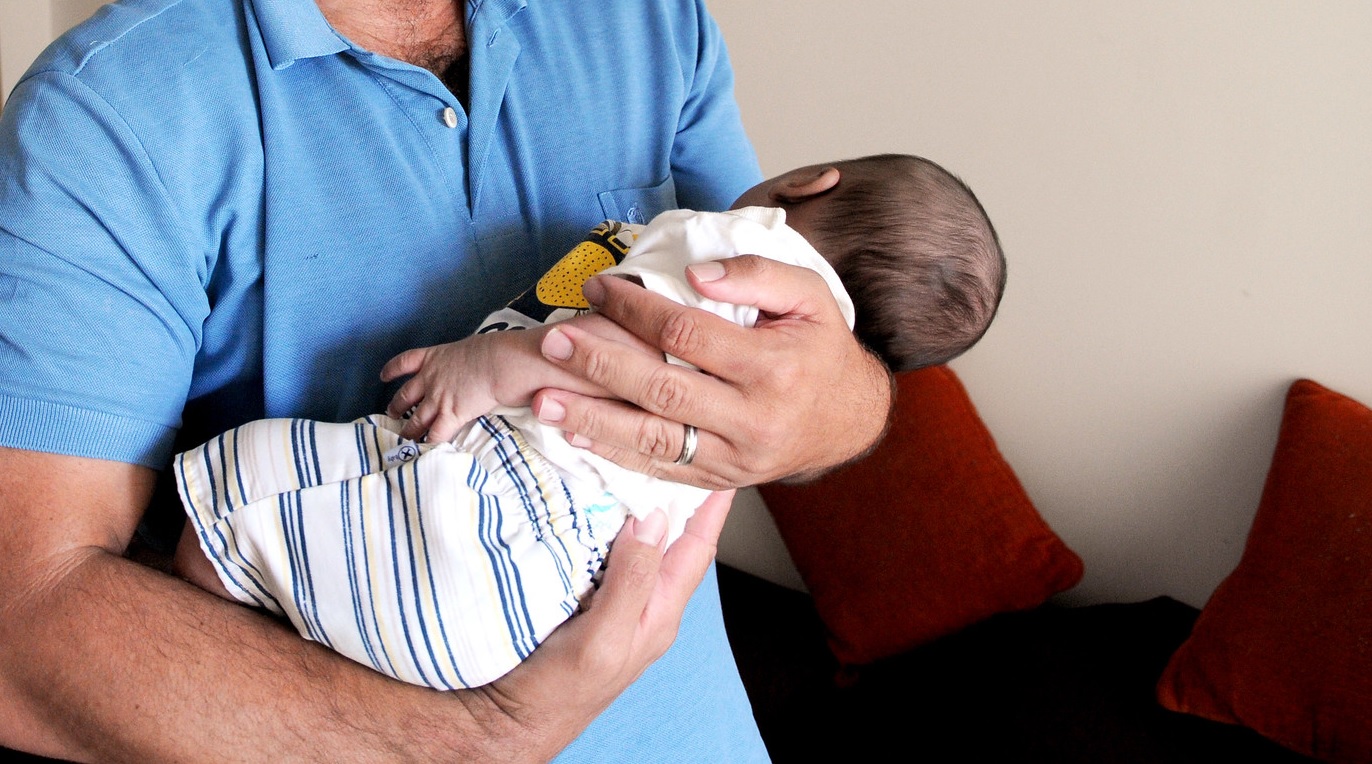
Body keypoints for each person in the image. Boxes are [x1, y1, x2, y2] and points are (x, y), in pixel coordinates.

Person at [0, 0, 893, 761]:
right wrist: (485, 736)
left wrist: (849, 410)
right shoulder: (111, 109)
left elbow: (782, 327)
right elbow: (23, 626)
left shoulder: (652, 18)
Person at [172, 153, 1006, 689]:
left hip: (484, 501)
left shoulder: (749, 247)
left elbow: (614, 347)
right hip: (537, 613)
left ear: (813, 179)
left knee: (226, 505)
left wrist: (487, 363)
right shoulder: (796, 351)